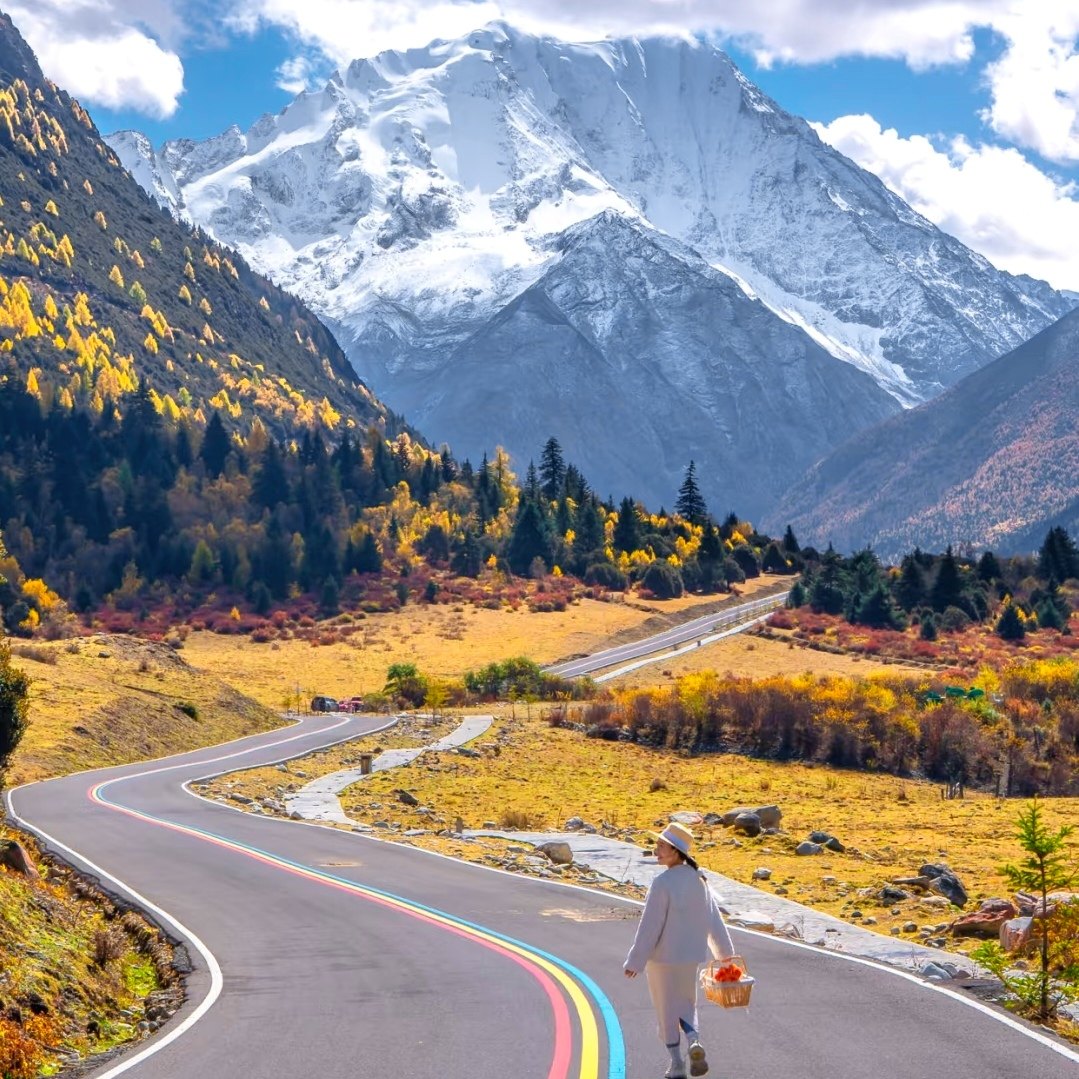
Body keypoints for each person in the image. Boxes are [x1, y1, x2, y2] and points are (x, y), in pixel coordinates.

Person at [624, 822, 736, 1078]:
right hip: (690, 959)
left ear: (676, 851)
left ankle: (676, 1065)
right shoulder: (699, 880)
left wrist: (635, 961)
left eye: (661, 846)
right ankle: (694, 1040)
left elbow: (650, 926)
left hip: (662, 960)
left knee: (666, 1010)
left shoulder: (662, 882)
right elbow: (714, 920)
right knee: (686, 1004)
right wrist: (725, 954)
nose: (656, 851)